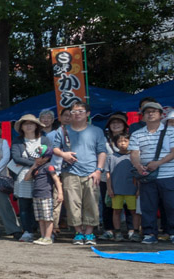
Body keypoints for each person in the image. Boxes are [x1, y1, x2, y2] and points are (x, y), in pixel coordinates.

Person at [49, 100, 107, 246]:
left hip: (91, 172)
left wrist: (99, 170)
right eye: (74, 112)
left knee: (92, 203)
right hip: (70, 172)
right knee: (72, 203)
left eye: (81, 111)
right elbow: (54, 148)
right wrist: (64, 155)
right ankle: (78, 232)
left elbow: (102, 151)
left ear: (87, 114)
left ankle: (89, 233)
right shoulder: (63, 130)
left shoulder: (96, 131)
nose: (77, 114)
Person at [128, 100, 174, 245]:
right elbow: (134, 152)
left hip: (168, 174)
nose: (150, 114)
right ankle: (149, 233)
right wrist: (138, 165)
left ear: (161, 115)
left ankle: (172, 232)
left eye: (154, 112)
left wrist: (158, 163)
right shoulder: (136, 134)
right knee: (148, 206)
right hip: (147, 175)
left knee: (171, 205)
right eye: (147, 112)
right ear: (142, 116)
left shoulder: (171, 131)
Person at [9, 114, 48, 242]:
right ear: (21, 127)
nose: (29, 126)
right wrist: (35, 163)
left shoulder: (44, 139)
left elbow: (49, 155)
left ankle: (44, 231)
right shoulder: (18, 141)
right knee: (24, 205)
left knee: (42, 203)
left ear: (37, 125)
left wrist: (31, 162)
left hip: (42, 175)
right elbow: (16, 157)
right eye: (25, 124)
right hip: (23, 175)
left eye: (31, 123)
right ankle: (27, 230)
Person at [106, 133, 141, 242]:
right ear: (115, 143)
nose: (122, 144)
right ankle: (117, 232)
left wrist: (139, 189)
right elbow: (108, 174)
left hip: (132, 190)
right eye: (120, 141)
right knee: (116, 211)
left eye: (125, 141)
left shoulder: (134, 157)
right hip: (116, 190)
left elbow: (139, 174)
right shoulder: (111, 157)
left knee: (134, 212)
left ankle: (135, 232)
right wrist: (109, 189)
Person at [30, 144, 63, 246]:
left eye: (38, 156)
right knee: (40, 218)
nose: (36, 158)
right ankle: (43, 236)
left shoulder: (49, 167)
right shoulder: (37, 168)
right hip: (36, 195)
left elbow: (56, 180)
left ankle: (48, 237)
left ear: (46, 157)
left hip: (46, 195)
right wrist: (33, 167)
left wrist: (60, 193)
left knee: (48, 218)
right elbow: (26, 178)